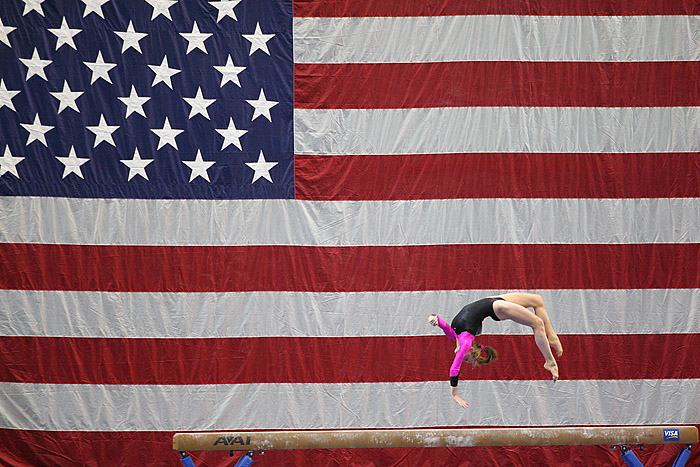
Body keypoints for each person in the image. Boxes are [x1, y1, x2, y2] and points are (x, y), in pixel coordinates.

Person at [428, 293, 563, 408]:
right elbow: (455, 368)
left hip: (493, 301)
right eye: (467, 359)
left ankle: (551, 336)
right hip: (497, 307)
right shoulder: (465, 343)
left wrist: (434, 319)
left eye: (465, 359)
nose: (463, 358)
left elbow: (443, 325)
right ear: (471, 350)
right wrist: (455, 394)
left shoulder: (454, 336)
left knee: (537, 300)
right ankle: (549, 361)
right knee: (538, 323)